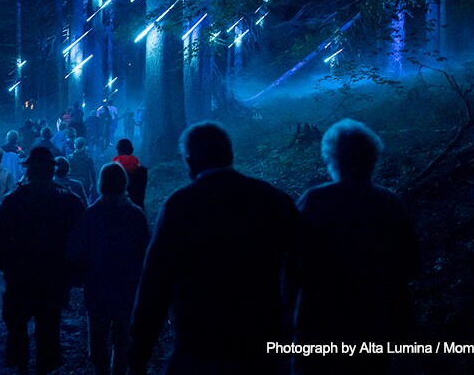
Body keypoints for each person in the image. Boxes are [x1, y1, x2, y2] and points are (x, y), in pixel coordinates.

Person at [129, 122, 301, 374]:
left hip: (198, 346)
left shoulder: (180, 205)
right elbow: (309, 264)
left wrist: (139, 354)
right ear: (229, 154)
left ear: (190, 161)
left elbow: (155, 282)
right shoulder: (272, 199)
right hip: (260, 344)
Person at [292, 119, 420, 375]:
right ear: (373, 159)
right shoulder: (390, 203)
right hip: (375, 321)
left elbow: (291, 262)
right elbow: (412, 266)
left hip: (319, 323)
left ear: (331, 158)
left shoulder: (314, 201)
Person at [0, 146, 85, 374]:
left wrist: (9, 268)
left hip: (20, 279)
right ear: (53, 170)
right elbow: (82, 240)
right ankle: (43, 368)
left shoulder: (13, 201)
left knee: (17, 328)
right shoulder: (69, 202)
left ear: (28, 170)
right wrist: (71, 274)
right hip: (53, 279)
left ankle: (22, 366)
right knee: (48, 331)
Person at [68, 164, 150, 375]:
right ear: (124, 183)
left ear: (101, 184)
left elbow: (74, 250)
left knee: (98, 339)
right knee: (123, 340)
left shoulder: (91, 215)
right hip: (127, 287)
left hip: (97, 287)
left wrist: (78, 275)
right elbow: (146, 252)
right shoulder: (136, 215)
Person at [112, 139, 147, 210]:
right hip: (136, 197)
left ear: (118, 150)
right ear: (131, 150)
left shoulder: (115, 161)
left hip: (119, 199)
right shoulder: (135, 161)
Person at [68, 137, 97, 204]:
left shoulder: (70, 158)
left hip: (74, 183)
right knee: (84, 201)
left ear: (75, 145)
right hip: (86, 183)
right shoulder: (88, 157)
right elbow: (92, 171)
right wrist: (94, 183)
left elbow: (68, 171)